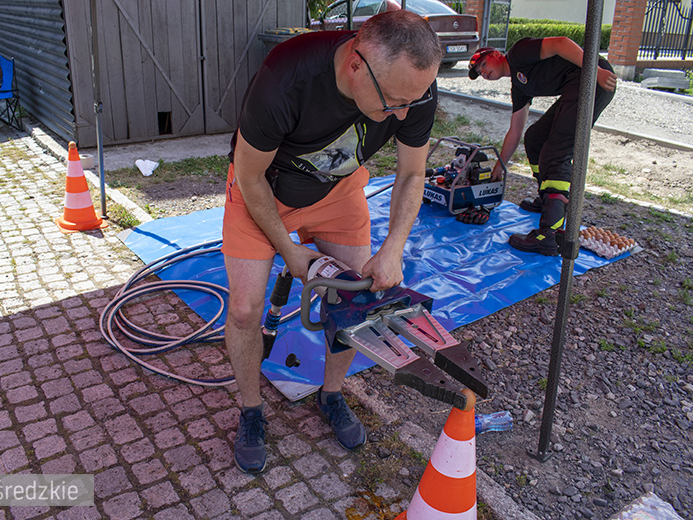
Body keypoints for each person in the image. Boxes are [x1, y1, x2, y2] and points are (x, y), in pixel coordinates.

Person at [221, 10, 442, 473]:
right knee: (244, 310)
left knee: (352, 300)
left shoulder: (411, 87)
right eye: (394, 103)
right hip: (262, 192)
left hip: (338, 191)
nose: (403, 114)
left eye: (412, 102)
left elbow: (412, 173)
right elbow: (250, 175)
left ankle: (332, 394)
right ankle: (251, 408)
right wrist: (288, 248)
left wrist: (393, 248)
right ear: (356, 65)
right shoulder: (287, 76)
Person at [468, 37, 617, 255]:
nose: (484, 72)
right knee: (535, 138)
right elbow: (515, 130)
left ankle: (549, 234)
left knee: (557, 151)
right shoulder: (518, 86)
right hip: (576, 84)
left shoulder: (518, 53)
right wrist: (499, 166)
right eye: (480, 73)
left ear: (497, 55)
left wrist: (594, 71)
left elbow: (560, 43)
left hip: (594, 78)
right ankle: (548, 199)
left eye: (484, 65)